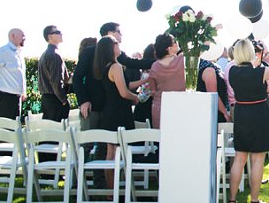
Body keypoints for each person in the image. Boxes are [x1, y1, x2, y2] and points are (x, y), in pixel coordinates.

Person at [227, 38, 269, 203]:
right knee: (258, 159)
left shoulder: (232, 72)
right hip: (259, 114)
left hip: (241, 113)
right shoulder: (259, 72)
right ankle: (254, 200)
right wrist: (267, 54)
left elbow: (246, 71)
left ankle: (232, 199)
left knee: (239, 158)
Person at [73, 22, 154, 132]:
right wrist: (83, 100)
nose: (121, 35)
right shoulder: (89, 52)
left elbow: (133, 62)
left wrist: (158, 62)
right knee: (90, 139)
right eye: (119, 32)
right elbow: (77, 77)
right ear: (110, 33)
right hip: (93, 105)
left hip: (111, 107)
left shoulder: (117, 54)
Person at [94, 35, 139, 191]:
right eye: (116, 44)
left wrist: (143, 81)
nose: (119, 45)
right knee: (116, 152)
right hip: (119, 112)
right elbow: (123, 92)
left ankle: (110, 190)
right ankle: (115, 189)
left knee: (111, 151)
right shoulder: (116, 67)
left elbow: (124, 86)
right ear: (110, 48)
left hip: (110, 112)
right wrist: (136, 98)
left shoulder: (106, 66)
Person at [148, 34, 187, 129]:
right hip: (180, 106)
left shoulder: (154, 66)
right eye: (174, 42)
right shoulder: (182, 59)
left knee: (161, 136)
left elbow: (153, 90)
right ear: (169, 48)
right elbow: (201, 49)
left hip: (160, 107)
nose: (177, 43)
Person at [38, 25, 70, 122]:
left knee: (49, 129)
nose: (61, 34)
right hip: (55, 100)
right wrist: (63, 100)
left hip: (47, 99)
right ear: (50, 37)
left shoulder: (44, 54)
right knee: (57, 130)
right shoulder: (54, 55)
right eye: (57, 32)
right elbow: (55, 81)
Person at [197, 58, 231, 124]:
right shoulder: (209, 70)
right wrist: (225, 113)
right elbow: (213, 95)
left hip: (209, 111)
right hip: (214, 113)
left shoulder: (204, 67)